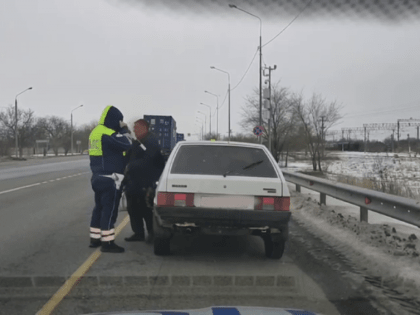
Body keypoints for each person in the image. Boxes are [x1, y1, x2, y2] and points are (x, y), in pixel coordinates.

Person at [88, 105, 133, 253]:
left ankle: (95, 239)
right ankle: (107, 243)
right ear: (115, 120)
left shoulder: (95, 132)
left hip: (97, 176)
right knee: (110, 209)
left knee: (99, 208)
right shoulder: (108, 134)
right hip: (110, 178)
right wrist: (124, 130)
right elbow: (128, 144)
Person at [123, 119, 165, 242]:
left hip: (146, 182)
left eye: (137, 128)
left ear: (144, 128)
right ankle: (138, 233)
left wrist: (131, 166)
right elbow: (129, 157)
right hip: (134, 182)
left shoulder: (151, 142)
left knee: (146, 209)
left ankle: (152, 233)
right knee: (133, 209)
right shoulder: (137, 142)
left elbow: (148, 161)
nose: (135, 130)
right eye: (134, 128)